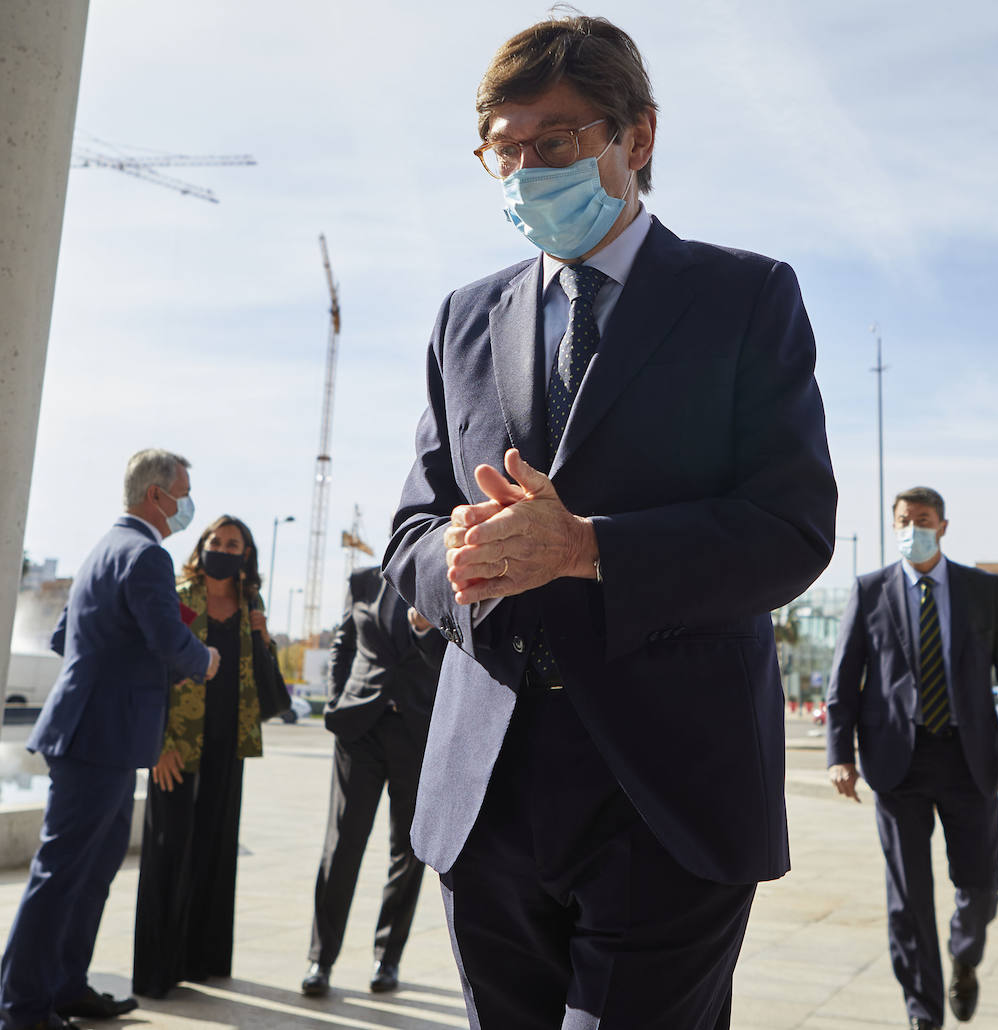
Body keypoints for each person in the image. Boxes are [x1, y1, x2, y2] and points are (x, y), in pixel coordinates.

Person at [382, 15, 837, 1029]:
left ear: (638, 137)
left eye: (556, 141)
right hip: (486, 789)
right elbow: (408, 531)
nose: (525, 169)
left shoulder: (746, 297)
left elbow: (792, 527)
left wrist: (587, 548)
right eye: (504, 147)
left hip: (665, 792)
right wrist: (451, 556)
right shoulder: (463, 316)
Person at [0, 449, 218, 1030]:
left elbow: (61, 638)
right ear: (156, 495)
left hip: (101, 734)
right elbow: (171, 644)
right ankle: (23, 1011)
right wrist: (207, 658)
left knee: (90, 873)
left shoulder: (103, 549)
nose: (186, 506)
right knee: (62, 876)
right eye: (183, 493)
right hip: (100, 737)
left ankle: (65, 988)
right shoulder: (146, 555)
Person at [825, 487, 998, 1030]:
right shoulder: (871, 591)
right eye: (902, 520)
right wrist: (839, 755)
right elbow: (844, 680)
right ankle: (924, 1014)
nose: (910, 528)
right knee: (908, 898)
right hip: (899, 764)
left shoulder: (984, 591)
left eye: (921, 520)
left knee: (981, 883)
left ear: (943, 526)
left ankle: (965, 957)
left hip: (971, 760)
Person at [132, 515, 270, 998]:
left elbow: (268, 693)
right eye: (216, 540)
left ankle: (203, 961)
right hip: (176, 744)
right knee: (168, 852)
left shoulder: (252, 603)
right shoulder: (179, 595)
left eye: (233, 543)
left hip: (228, 746)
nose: (223, 547)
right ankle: (156, 972)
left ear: (246, 554)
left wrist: (264, 638)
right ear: (203, 545)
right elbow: (150, 669)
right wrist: (157, 745)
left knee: (213, 851)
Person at [300, 566, 446, 998]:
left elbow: (456, 659)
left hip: (417, 732)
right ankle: (319, 959)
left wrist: (423, 631)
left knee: (409, 851)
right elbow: (343, 644)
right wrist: (335, 702)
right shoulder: (362, 580)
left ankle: (388, 958)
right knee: (342, 846)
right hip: (360, 729)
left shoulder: (444, 577)